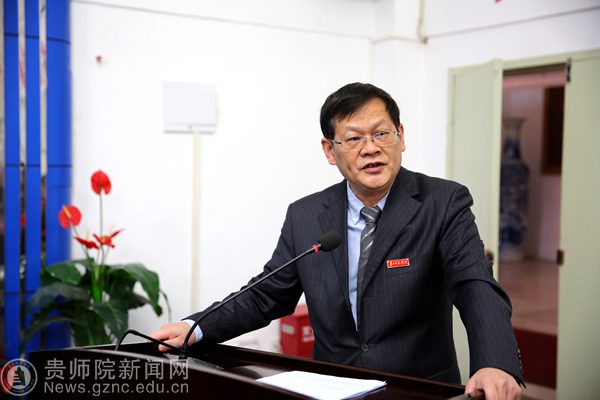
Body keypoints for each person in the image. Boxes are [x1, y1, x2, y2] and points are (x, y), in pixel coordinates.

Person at [151, 83, 523, 399]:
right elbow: (266, 294)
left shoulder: (443, 203)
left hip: (415, 389)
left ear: (401, 136)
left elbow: (474, 284)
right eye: (354, 138)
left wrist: (495, 362)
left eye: (381, 134)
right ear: (330, 150)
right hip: (332, 388)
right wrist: (196, 327)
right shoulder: (306, 215)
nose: (371, 148)